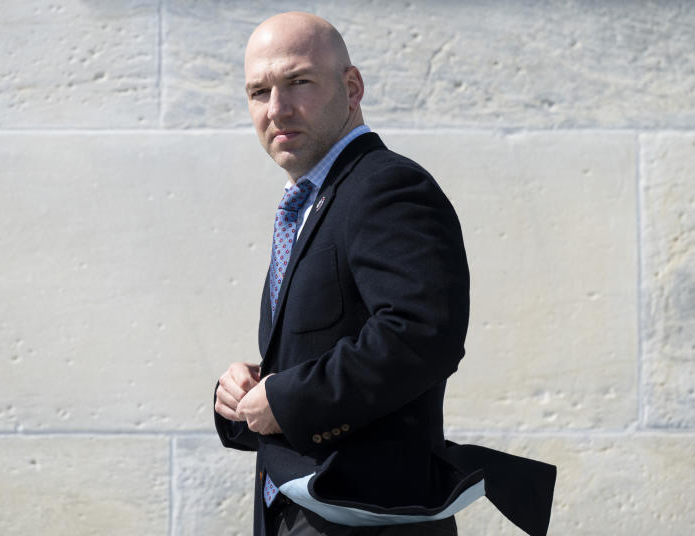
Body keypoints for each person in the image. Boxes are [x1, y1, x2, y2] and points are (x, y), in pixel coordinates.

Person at [213, 12, 556, 536]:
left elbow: (421, 334)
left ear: (352, 88)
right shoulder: (309, 202)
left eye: (298, 82)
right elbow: (323, 349)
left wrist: (286, 400)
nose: (276, 109)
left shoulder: (386, 186)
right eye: (258, 92)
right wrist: (247, 396)